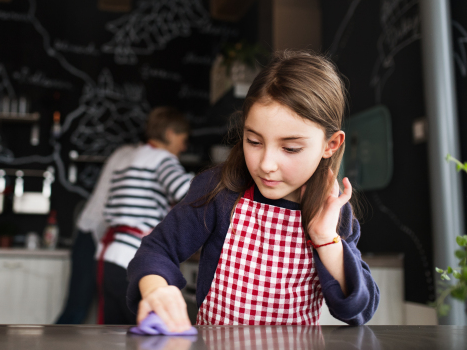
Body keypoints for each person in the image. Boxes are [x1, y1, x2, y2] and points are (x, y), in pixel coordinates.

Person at [127, 50, 380, 330]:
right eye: (254, 141)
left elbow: (361, 310)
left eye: (290, 148)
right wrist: (156, 290)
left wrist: (325, 239)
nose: (266, 164)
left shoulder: (333, 212)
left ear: (330, 145)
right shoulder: (219, 191)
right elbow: (157, 249)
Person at [97, 106, 194, 324]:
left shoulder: (127, 158)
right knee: (144, 335)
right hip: (133, 259)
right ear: (170, 134)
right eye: (183, 139)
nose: (184, 146)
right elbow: (187, 192)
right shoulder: (163, 159)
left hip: (109, 257)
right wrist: (215, 181)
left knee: (114, 335)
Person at [55, 144, 138, 324]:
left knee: (112, 319)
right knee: (75, 312)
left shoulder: (125, 154)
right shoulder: (130, 155)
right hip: (93, 235)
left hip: (106, 241)